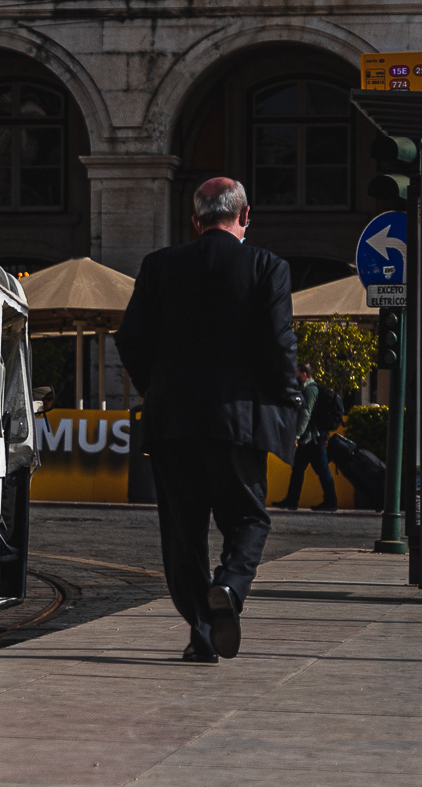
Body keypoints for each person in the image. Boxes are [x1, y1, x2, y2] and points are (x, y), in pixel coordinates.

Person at [116, 176, 299, 664]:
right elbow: (280, 345)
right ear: (245, 216)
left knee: (183, 536)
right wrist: (288, 404)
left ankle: (202, 634)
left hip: (171, 423)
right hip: (238, 421)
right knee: (249, 518)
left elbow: (129, 338)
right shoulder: (267, 266)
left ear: (195, 220)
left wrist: (157, 388)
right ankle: (231, 587)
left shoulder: (158, 266)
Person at [277, 362, 342, 512]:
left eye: (297, 373)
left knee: (321, 469)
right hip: (308, 438)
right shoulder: (305, 389)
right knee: (298, 469)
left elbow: (306, 414)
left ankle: (330, 502)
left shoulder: (311, 390)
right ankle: (291, 501)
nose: (295, 376)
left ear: (304, 374)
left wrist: (297, 435)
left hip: (314, 438)